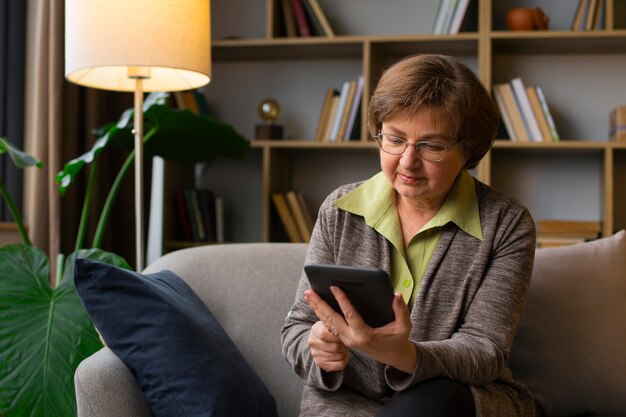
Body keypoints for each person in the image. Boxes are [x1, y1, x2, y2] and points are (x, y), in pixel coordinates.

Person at [280, 54, 537, 417]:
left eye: (431, 145)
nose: (407, 162)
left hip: (451, 401)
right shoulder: (339, 210)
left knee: (431, 402)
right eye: (395, 139)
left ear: (468, 150)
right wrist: (318, 349)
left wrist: (403, 355)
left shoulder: (506, 223)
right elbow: (297, 326)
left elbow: (486, 351)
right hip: (345, 404)